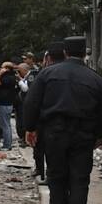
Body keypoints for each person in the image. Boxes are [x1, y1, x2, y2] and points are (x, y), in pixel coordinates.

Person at [22, 36, 102, 204]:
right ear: (85, 54)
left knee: (57, 175)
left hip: (54, 133)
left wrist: (30, 128)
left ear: (64, 52)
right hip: (83, 135)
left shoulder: (48, 74)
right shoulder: (95, 79)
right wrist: (98, 135)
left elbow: (32, 103)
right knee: (80, 178)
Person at [29, 42, 66, 180]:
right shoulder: (43, 73)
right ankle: (41, 170)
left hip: (47, 120)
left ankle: (49, 175)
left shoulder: (44, 74)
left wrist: (30, 126)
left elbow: (32, 100)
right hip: (49, 120)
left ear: (48, 58)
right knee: (41, 150)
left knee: (49, 151)